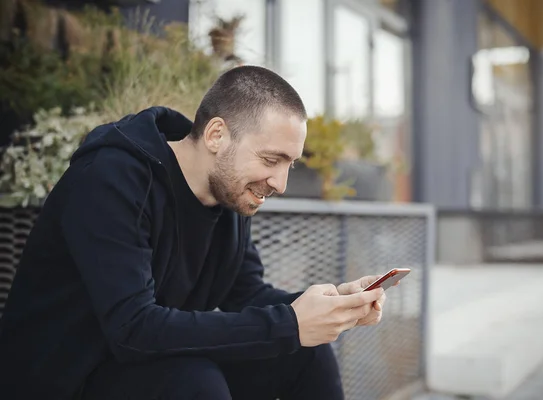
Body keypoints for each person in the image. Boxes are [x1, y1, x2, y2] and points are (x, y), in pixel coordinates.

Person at [0, 65, 387, 399]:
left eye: (291, 165)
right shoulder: (112, 178)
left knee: (305, 351)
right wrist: (289, 324)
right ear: (217, 135)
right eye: (271, 160)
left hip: (141, 366)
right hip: (63, 379)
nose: (281, 183)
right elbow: (132, 326)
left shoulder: (230, 193)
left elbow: (248, 294)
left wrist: (332, 305)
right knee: (193, 383)